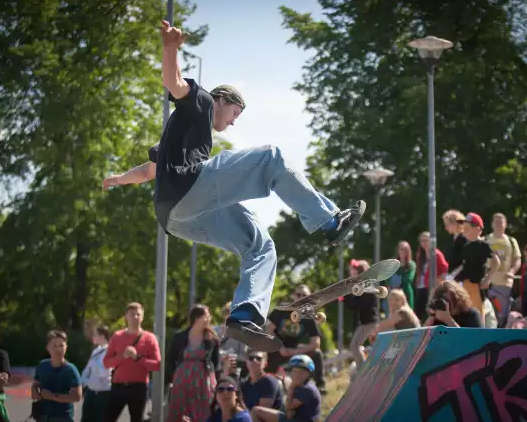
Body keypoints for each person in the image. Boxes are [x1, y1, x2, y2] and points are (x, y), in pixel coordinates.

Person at [101, 21, 365, 351]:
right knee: (272, 157)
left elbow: (147, 172)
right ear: (222, 100)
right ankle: (328, 221)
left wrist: (117, 179)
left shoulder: (179, 136)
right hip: (190, 191)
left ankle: (243, 316)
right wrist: (170, 49)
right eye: (235, 112)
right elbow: (175, 82)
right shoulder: (199, 101)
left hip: (175, 220)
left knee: (261, 245)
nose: (233, 121)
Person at [103, 302, 160, 422]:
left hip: (138, 387)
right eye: (132, 314)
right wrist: (122, 356)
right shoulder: (117, 336)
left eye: (138, 315)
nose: (135, 317)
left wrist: (137, 358)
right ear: (126, 317)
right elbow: (106, 362)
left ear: (142, 317)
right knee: (108, 418)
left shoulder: (150, 338)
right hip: (119, 385)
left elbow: (157, 365)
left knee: (137, 419)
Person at [165, 304, 221, 422]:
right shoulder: (180, 336)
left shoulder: (212, 339)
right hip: (182, 379)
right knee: (180, 411)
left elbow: (216, 363)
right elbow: (170, 359)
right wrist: (171, 379)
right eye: (206, 316)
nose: (209, 319)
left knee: (203, 410)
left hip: (203, 380)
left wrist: (215, 380)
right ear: (197, 318)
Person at [266, 285, 326, 393]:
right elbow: (268, 330)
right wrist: (280, 347)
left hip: (294, 351)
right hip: (275, 350)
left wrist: (296, 351)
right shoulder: (282, 310)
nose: (301, 298)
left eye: (305, 296)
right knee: (259, 354)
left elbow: (316, 343)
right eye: (299, 295)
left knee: (317, 354)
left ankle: (320, 386)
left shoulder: (308, 316)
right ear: (293, 296)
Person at [456, 213, 500, 320]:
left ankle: (481, 332)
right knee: (467, 312)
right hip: (466, 283)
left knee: (479, 313)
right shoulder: (466, 247)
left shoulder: (484, 245)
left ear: (478, 229)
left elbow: (496, 262)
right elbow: (465, 266)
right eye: (463, 228)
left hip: (477, 284)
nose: (464, 231)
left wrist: (487, 279)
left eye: (467, 228)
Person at [250, 355, 321, 422]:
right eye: (295, 371)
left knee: (256, 411)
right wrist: (289, 410)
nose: (297, 375)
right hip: (297, 418)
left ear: (309, 374)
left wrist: (291, 388)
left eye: (301, 372)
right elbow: (288, 410)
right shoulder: (302, 385)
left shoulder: (307, 389)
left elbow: (288, 407)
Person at [32, 330, 82, 422]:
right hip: (43, 416)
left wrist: (53, 397)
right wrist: (36, 393)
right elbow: (35, 385)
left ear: (66, 347)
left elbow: (77, 396)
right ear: (48, 348)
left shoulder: (70, 370)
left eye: (61, 345)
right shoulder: (42, 366)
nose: (58, 349)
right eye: (54, 345)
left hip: (63, 417)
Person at [485, 213, 522, 326]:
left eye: (501, 222)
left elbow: (517, 259)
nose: (498, 224)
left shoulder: (511, 241)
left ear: (505, 224)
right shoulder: (486, 240)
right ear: (492, 224)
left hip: (504, 284)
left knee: (502, 316)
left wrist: (511, 272)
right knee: (487, 314)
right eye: (496, 222)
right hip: (488, 283)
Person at [344, 259, 380, 372]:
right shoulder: (361, 286)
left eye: (353, 271)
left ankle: (363, 370)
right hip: (366, 321)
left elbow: (358, 305)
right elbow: (353, 307)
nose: (351, 273)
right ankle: (365, 368)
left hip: (369, 322)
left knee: (354, 346)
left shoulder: (367, 285)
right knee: (357, 346)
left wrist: (347, 297)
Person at [414, 232, 449, 321]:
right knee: (418, 311)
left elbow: (445, 270)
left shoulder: (437, 254)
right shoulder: (420, 255)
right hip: (422, 286)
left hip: (433, 287)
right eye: (422, 241)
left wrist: (438, 282)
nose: (424, 243)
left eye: (426, 240)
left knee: (430, 310)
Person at [80, 326, 111, 422]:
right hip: (91, 392)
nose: (93, 337)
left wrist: (95, 364)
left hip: (102, 393)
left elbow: (105, 373)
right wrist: (82, 382)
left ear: (102, 336)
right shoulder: (96, 351)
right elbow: (87, 370)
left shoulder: (109, 351)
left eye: (95, 335)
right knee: (86, 418)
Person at [394, 241, 416, 308]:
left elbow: (408, 279)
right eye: (401, 249)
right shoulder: (394, 264)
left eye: (405, 249)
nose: (403, 251)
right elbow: (389, 280)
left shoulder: (411, 265)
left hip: (406, 293)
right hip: (394, 293)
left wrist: (396, 280)